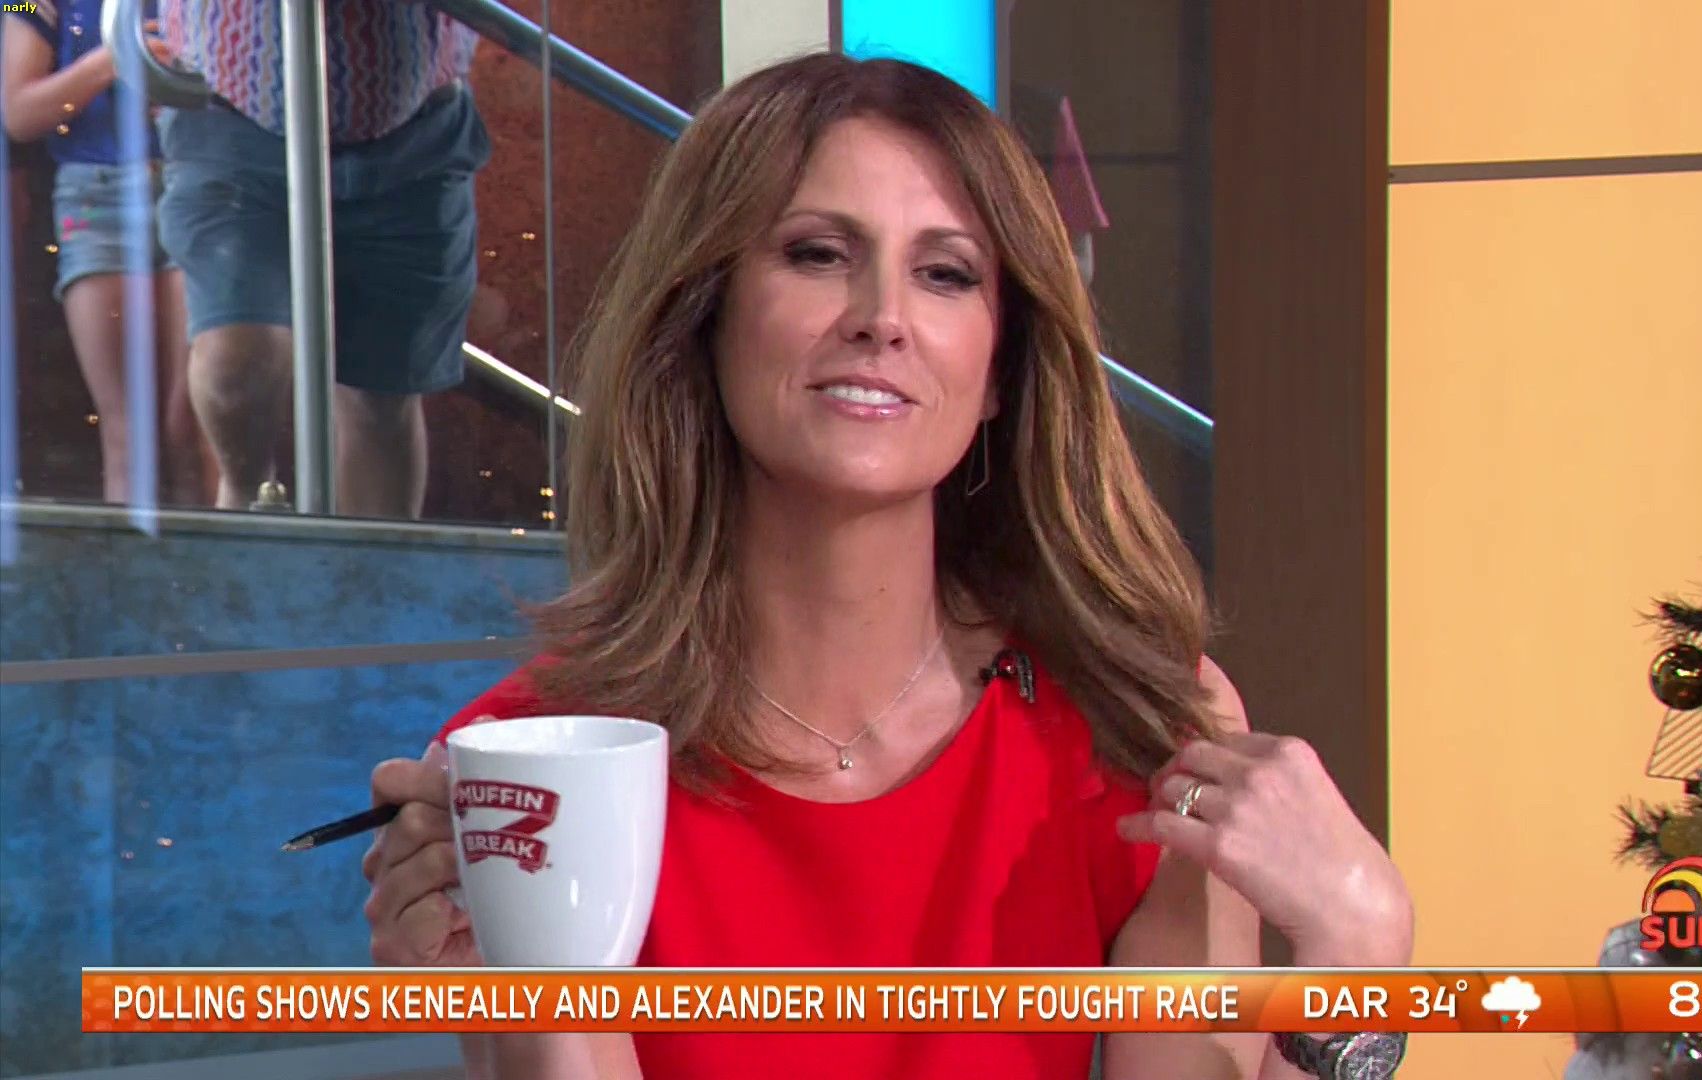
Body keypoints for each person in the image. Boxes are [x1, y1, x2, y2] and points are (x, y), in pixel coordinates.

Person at [361, 55, 1414, 1080]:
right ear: (706, 315)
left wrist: (1361, 951)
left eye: (945, 273)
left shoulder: (1140, 726)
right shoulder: (533, 768)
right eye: (819, 254)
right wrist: (522, 990)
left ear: (999, 370)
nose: (883, 318)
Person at [153, 0, 489, 516]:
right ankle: (246, 502)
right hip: (229, 121)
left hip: (416, 136)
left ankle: (365, 566)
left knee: (380, 398)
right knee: (233, 363)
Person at [1, 0, 213, 506]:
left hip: (206, 182)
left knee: (193, 421)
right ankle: (132, 559)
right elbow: (18, 114)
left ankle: (213, 555)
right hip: (96, 197)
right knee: (127, 431)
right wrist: (114, 59)